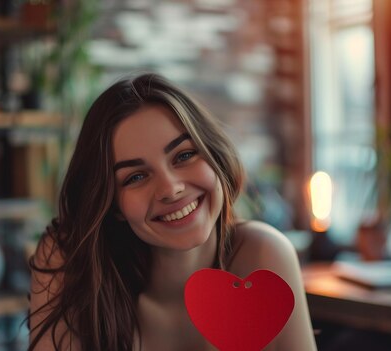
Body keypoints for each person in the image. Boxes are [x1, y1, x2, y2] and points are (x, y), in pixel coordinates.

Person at [28, 73, 317, 350]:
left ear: (214, 156)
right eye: (136, 177)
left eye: (184, 155)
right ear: (112, 204)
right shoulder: (70, 259)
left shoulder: (264, 255)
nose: (170, 188)